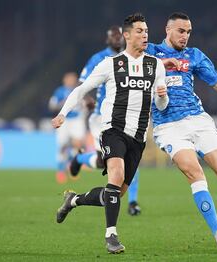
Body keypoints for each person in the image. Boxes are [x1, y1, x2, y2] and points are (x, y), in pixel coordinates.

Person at [145, 12, 217, 251]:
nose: (185, 36)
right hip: (169, 127)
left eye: (189, 32)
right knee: (196, 174)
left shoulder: (194, 56)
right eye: (181, 31)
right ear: (167, 30)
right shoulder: (150, 51)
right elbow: (129, 59)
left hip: (198, 121)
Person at [52, 13, 168, 254]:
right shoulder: (110, 64)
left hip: (138, 137)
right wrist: (63, 113)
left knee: (114, 194)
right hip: (112, 130)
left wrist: (162, 95)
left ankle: (74, 200)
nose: (145, 35)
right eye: (139, 31)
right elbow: (82, 89)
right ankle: (111, 236)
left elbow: (161, 106)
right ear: (126, 35)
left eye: (146, 31)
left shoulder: (155, 65)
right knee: (115, 176)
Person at [69, 25, 142, 216]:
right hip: (103, 116)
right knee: (104, 161)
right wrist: (87, 100)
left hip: (128, 115)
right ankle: (80, 158)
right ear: (107, 39)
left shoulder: (134, 55)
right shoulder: (99, 58)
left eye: (120, 35)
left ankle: (133, 202)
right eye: (114, 36)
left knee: (129, 157)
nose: (118, 39)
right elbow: (82, 83)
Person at [48, 72, 87, 184]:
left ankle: (72, 167)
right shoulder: (60, 91)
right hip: (63, 120)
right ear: (64, 80)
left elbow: (85, 104)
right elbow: (52, 105)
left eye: (72, 79)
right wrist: (62, 103)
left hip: (76, 119)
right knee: (63, 146)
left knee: (78, 144)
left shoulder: (79, 90)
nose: (71, 81)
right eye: (68, 79)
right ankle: (61, 170)